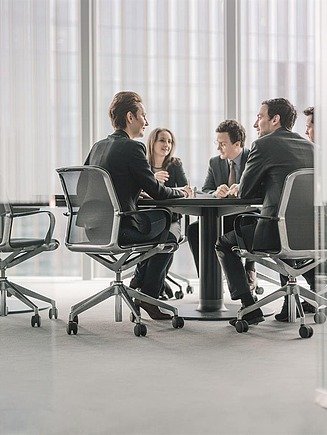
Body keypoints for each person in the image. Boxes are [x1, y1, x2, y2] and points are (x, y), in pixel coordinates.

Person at [84, 91, 193, 320]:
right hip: (122, 228)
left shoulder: (98, 147)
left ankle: (138, 285)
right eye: (143, 115)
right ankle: (148, 295)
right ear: (131, 117)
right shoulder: (134, 148)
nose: (147, 121)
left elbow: (84, 188)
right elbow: (158, 191)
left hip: (93, 229)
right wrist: (180, 191)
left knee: (161, 226)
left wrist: (132, 191)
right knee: (169, 222)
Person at [215, 98, 314, 326]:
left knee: (224, 243)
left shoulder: (264, 145)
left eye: (260, 117)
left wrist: (244, 185)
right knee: (281, 222)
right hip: (311, 235)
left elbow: (245, 192)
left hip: (276, 234)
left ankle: (249, 307)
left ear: (275, 119)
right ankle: (290, 305)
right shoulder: (314, 148)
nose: (255, 123)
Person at [187, 119, 257, 292]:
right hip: (223, 217)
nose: (219, 148)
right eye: (217, 143)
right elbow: (205, 189)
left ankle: (249, 268)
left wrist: (242, 189)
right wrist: (215, 192)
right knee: (194, 230)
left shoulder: (253, 158)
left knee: (245, 229)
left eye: (223, 144)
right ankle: (209, 283)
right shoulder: (215, 162)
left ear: (237, 143)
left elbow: (261, 191)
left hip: (248, 216)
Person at [147, 127, 188, 299]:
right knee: (158, 244)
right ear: (153, 142)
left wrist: (167, 190)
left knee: (168, 242)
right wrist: (152, 180)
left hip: (171, 219)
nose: (167, 145)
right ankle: (155, 288)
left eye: (170, 141)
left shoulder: (175, 164)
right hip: (148, 219)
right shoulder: (143, 165)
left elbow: (187, 190)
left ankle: (146, 286)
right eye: (162, 140)